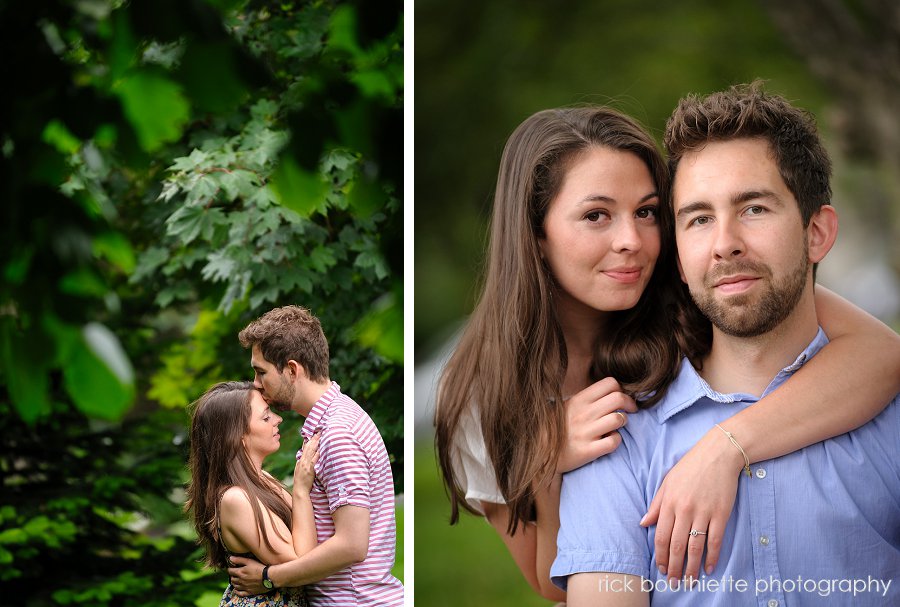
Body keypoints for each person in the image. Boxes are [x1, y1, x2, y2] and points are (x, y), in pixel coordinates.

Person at [434, 104, 900, 601]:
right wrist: (548, 461)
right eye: (596, 216)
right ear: (536, 235)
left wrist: (722, 449)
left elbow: (881, 355)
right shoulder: (483, 400)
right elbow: (553, 583)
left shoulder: (714, 289)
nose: (632, 241)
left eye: (647, 212)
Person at [227, 306, 404, 606]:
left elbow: (351, 546)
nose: (256, 383)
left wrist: (270, 577)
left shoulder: (338, 434)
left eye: (261, 371)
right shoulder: (331, 423)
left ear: (292, 370)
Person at [185, 380, 321, 607]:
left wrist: (266, 578)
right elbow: (304, 564)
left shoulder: (262, 480)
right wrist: (300, 490)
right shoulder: (235, 499)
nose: (278, 419)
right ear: (238, 435)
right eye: (266, 417)